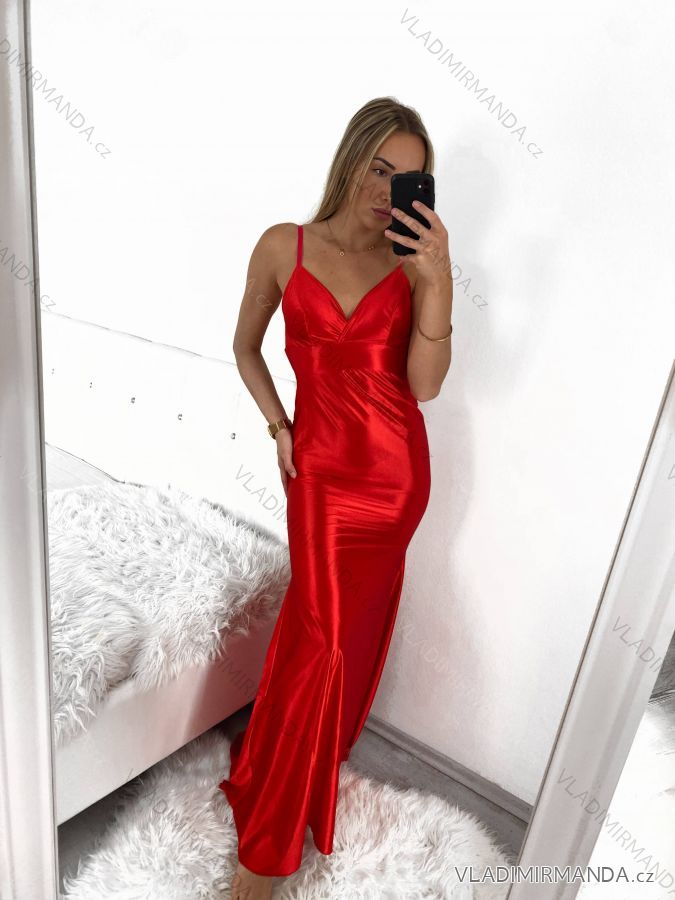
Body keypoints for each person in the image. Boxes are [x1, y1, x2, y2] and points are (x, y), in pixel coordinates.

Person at [220, 96, 453, 900]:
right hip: (318, 473)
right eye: (378, 168)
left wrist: (437, 280)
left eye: (406, 178)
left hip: (394, 478)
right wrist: (277, 425)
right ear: (351, 159)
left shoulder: (412, 266)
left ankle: (270, 837)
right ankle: (271, 829)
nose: (387, 190)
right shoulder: (282, 247)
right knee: (319, 637)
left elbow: (424, 386)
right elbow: (245, 348)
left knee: (333, 639)